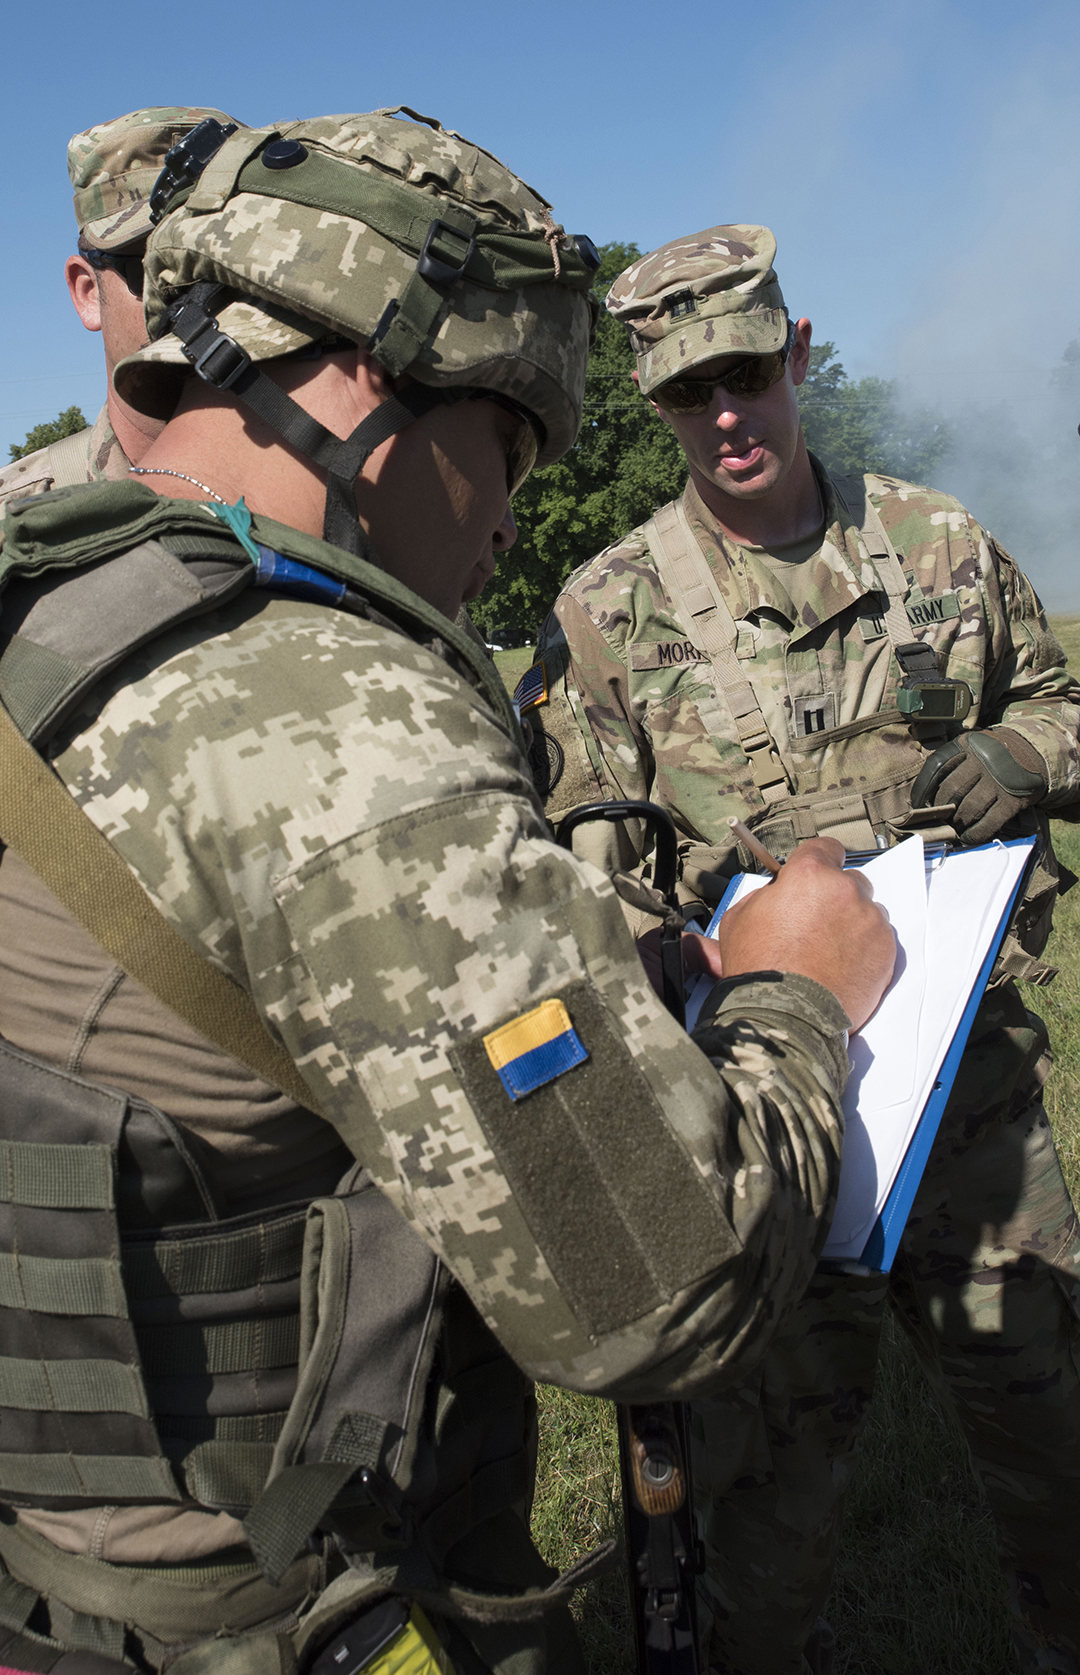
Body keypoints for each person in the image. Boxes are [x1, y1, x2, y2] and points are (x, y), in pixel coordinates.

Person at [0, 130, 893, 1675]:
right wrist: (796, 993)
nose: (505, 518)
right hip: (282, 1601)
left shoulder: (51, 591)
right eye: (511, 442)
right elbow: (656, 1285)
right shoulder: (344, 723)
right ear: (360, 388)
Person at [525, 224, 1080, 1675]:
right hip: (770, 1122)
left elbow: (1070, 701)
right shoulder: (607, 608)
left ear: (799, 353)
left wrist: (1030, 743)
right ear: (654, 403)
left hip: (974, 1107)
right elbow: (587, 867)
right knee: (762, 1515)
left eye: (748, 372)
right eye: (689, 388)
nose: (727, 412)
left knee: (1056, 1431)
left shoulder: (939, 541)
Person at [0, 106, 238, 507]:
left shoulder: (358, 496)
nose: (195, 294)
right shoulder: (18, 522)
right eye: (150, 264)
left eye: (219, 262)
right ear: (87, 293)